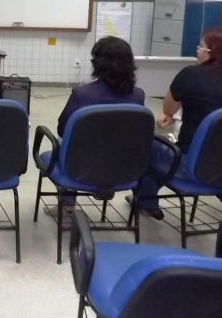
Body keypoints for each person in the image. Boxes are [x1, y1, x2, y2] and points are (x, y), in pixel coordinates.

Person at [139, 28, 222, 218]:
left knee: (146, 146)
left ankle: (146, 202)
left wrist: (169, 115)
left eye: (201, 47)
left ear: (214, 53)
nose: (197, 50)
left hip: (194, 166)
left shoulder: (191, 75)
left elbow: (168, 108)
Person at [45, 36, 146, 225]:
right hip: (124, 167)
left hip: (81, 167)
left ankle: (67, 205)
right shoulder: (138, 95)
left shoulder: (83, 94)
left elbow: (63, 128)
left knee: (65, 144)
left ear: (97, 63)